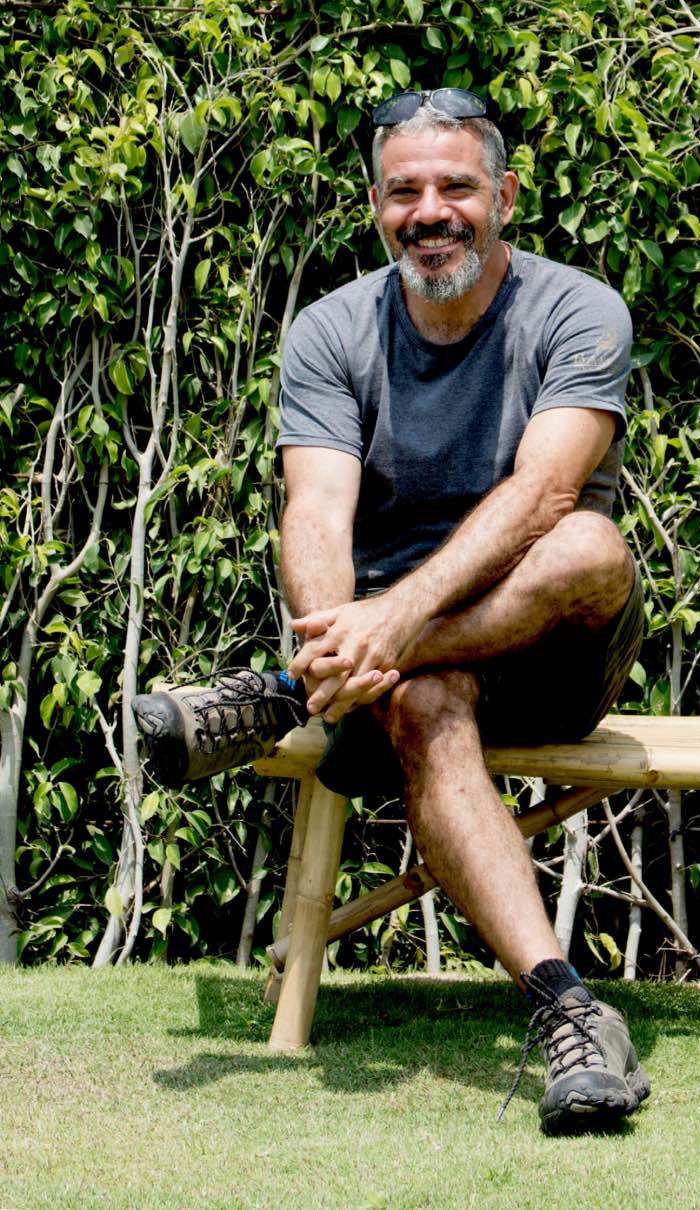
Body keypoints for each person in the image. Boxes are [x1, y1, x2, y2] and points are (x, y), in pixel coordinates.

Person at [133, 88, 650, 1135]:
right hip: (398, 677)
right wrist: (347, 636)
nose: (432, 210)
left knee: (592, 546)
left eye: (456, 185)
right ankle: (571, 1010)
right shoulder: (332, 330)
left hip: (555, 644)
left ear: (502, 194)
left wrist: (378, 630)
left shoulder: (578, 308)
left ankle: (290, 696)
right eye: (405, 190)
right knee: (422, 703)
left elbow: (546, 496)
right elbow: (315, 507)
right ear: (376, 205)